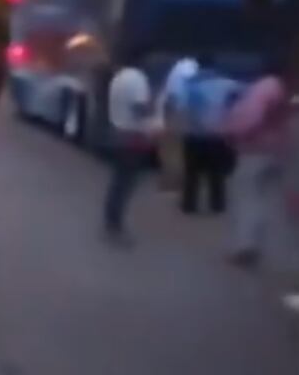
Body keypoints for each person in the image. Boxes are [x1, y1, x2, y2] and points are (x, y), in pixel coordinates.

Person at [226, 55, 292, 267]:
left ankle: (246, 246)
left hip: (255, 150)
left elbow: (250, 118)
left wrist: (234, 133)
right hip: (276, 150)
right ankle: (257, 245)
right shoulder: (282, 89)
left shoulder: (263, 88)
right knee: (263, 198)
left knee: (246, 197)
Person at [101, 57, 158, 247]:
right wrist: (153, 110)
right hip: (132, 137)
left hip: (117, 133)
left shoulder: (118, 78)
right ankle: (115, 225)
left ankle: (111, 220)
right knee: (125, 184)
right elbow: (139, 108)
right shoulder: (138, 79)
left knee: (118, 182)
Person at [179, 54, 243, 215]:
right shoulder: (228, 84)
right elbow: (241, 99)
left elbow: (182, 109)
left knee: (192, 173)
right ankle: (217, 205)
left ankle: (189, 205)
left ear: (198, 67)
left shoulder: (189, 85)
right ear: (214, 66)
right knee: (217, 173)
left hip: (194, 135)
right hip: (218, 135)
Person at [157, 55, 200, 192]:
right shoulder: (190, 69)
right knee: (178, 148)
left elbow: (171, 94)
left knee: (171, 149)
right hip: (181, 111)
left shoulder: (179, 69)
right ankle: (177, 181)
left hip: (173, 110)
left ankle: (171, 182)